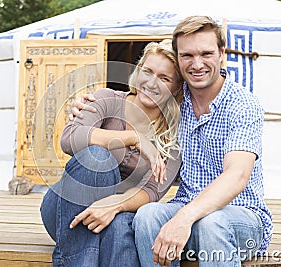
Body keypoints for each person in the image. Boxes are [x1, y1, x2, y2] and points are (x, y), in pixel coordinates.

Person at [71, 16, 273, 267]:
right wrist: (86, 107)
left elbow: (237, 176)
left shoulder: (242, 105)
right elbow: (136, 99)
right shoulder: (174, 100)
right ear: (178, 59)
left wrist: (184, 218)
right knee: (147, 215)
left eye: (206, 53)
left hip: (240, 217)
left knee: (212, 223)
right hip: (185, 209)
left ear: (222, 53)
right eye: (187, 55)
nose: (197, 64)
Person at [40, 39, 184, 267]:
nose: (152, 83)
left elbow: (152, 191)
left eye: (164, 78)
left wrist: (113, 206)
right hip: (67, 208)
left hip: (117, 216)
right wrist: (133, 138)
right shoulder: (107, 99)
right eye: (147, 71)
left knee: (122, 225)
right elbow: (69, 140)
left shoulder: (175, 132)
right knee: (97, 158)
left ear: (176, 88)